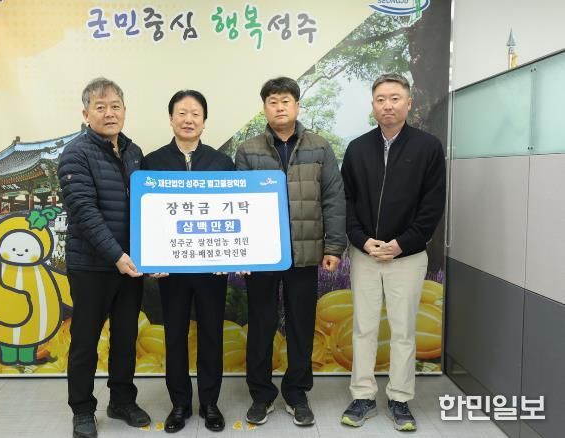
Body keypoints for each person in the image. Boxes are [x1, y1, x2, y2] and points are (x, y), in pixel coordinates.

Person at [235, 77, 345, 427]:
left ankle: (297, 393)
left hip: (305, 253)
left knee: (301, 325)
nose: (279, 107)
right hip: (262, 255)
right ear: (264, 108)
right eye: (272, 101)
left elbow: (333, 197)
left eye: (285, 100)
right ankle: (261, 394)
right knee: (261, 325)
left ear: (297, 105)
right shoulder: (249, 150)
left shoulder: (319, 147)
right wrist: (243, 254)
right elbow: (239, 202)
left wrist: (334, 245)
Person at [340, 73, 446, 432]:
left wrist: (403, 243)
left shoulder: (428, 147)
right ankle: (363, 396)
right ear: (373, 105)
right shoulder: (357, 149)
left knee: (403, 331)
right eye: (381, 99)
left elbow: (432, 205)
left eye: (395, 98)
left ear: (409, 103)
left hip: (408, 256)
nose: (388, 105)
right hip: (366, 254)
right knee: (364, 328)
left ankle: (400, 398)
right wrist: (361, 240)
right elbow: (346, 201)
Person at [58, 77, 150, 438]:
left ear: (124, 111)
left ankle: (122, 401)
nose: (109, 113)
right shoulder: (76, 153)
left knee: (126, 336)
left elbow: (146, 207)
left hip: (130, 265)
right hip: (92, 266)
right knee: (85, 340)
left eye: (115, 106)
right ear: (86, 114)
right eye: (100, 107)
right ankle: (82, 409)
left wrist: (149, 255)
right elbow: (84, 211)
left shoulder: (133, 151)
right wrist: (116, 255)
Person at [142, 90, 234, 433]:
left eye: (195, 113)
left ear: (204, 121)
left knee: (211, 334)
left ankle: (210, 403)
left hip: (212, 268)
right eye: (182, 113)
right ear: (171, 119)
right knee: (175, 336)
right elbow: (146, 215)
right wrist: (151, 258)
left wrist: (230, 255)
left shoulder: (221, 163)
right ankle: (179, 404)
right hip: (171, 270)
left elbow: (233, 214)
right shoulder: (152, 162)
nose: (188, 119)